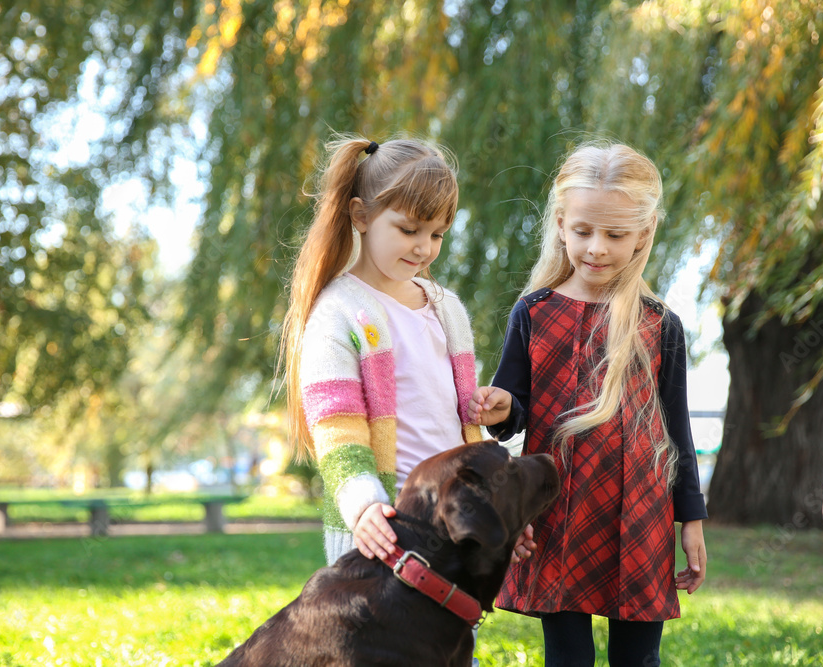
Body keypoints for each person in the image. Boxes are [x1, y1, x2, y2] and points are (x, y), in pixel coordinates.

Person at [468, 142, 708, 667]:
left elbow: (676, 427)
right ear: (560, 224)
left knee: (637, 658)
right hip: (558, 507)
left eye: (615, 235)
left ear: (643, 235)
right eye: (582, 231)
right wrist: (499, 405)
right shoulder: (533, 311)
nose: (596, 247)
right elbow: (514, 410)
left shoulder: (659, 323)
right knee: (567, 656)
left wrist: (691, 519)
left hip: (641, 511)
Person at [281, 135, 483, 566]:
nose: (423, 247)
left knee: (452, 633)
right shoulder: (338, 312)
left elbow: (461, 419)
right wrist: (364, 504)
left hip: (453, 519)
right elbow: (336, 427)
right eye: (409, 229)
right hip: (386, 528)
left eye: (437, 234)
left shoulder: (446, 309)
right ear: (361, 215)